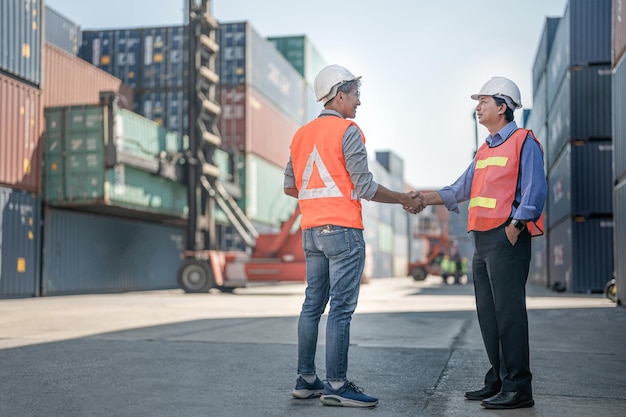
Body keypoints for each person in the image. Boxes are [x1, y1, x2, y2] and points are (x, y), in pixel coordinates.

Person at [283, 64, 424, 408]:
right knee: (341, 311)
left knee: (312, 305)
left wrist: (317, 199)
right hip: (343, 232)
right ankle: (336, 384)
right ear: (340, 95)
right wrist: (404, 198)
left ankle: (306, 379)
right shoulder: (348, 131)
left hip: (312, 232)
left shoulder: (300, 135)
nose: (359, 103)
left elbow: (290, 187)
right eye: (356, 95)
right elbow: (365, 187)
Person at [417, 77, 546, 410]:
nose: (478, 107)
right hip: (482, 241)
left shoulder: (523, 141)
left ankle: (519, 387)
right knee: (489, 315)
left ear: (502, 106)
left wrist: (516, 226)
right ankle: (499, 380)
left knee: (509, 314)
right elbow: (460, 189)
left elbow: (535, 191)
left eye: (484, 101)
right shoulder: (485, 149)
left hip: (507, 238)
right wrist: (420, 199)